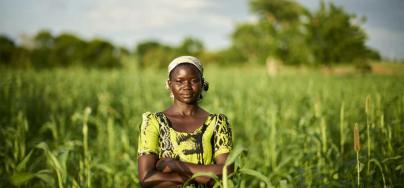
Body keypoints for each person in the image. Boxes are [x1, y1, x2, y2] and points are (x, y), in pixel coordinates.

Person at [137, 56, 233, 187]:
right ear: (170, 84)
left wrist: (173, 165)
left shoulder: (217, 122)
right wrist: (204, 176)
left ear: (202, 83)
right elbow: (147, 179)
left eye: (193, 81)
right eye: (179, 81)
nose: (186, 86)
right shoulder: (153, 122)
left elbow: (227, 173)